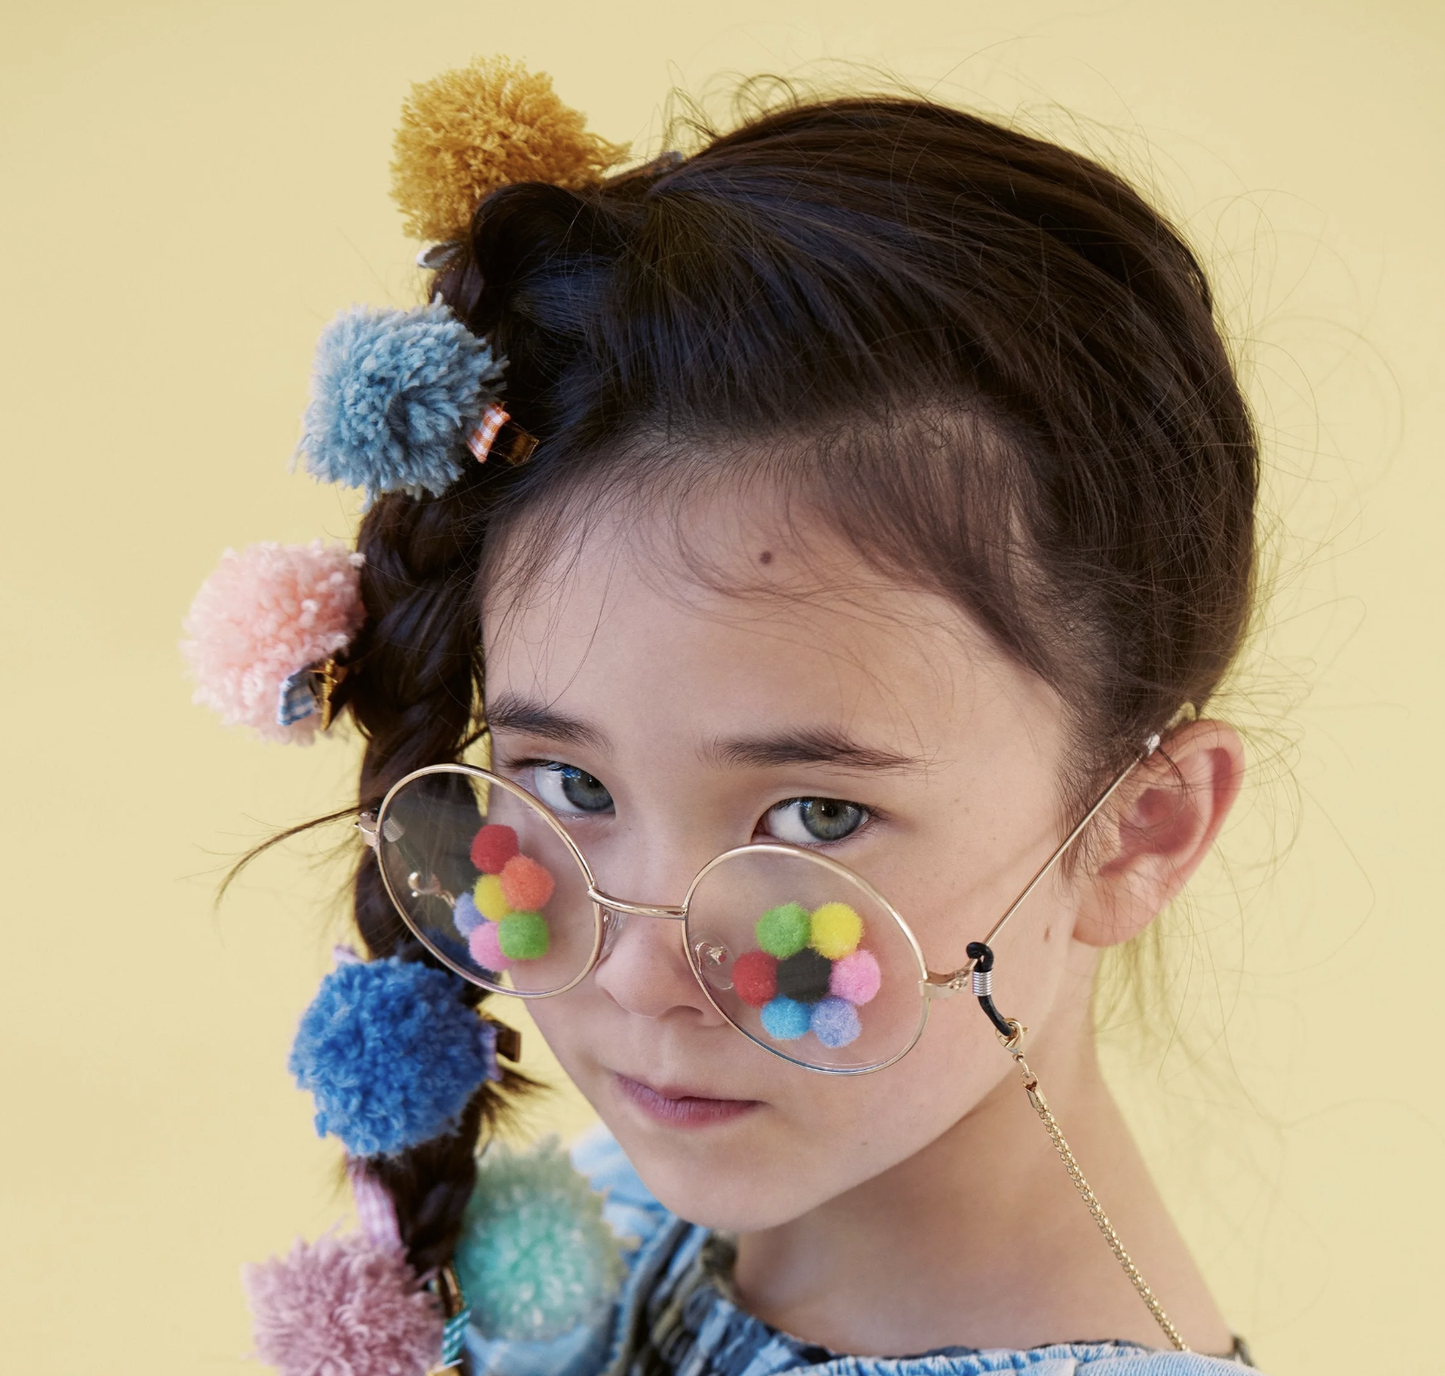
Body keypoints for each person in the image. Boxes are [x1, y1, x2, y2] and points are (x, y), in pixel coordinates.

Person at [192, 57, 1261, 1376]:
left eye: (816, 816)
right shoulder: (590, 1246)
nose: (639, 975)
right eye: (569, 786)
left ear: (1139, 829)